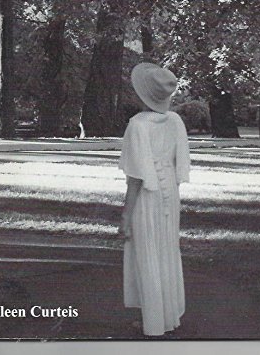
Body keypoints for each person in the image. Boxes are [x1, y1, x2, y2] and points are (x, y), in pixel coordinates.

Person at [118, 62, 190, 337]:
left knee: (147, 251)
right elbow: (177, 162)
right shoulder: (175, 121)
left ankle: (154, 321)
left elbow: (137, 176)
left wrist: (126, 215)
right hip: (170, 194)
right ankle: (165, 315)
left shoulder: (137, 125)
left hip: (147, 196)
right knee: (167, 250)